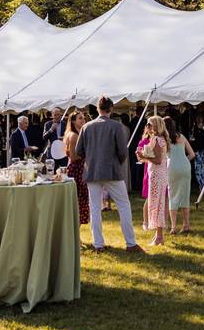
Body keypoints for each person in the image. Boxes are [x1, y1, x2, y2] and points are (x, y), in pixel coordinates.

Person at [75, 95, 143, 253]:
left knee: (95, 208)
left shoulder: (87, 127)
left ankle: (98, 244)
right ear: (111, 109)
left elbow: (79, 151)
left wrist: (92, 158)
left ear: (98, 109)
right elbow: (122, 151)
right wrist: (116, 163)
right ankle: (130, 243)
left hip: (92, 171)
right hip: (111, 170)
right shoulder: (115, 126)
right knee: (123, 205)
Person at [138, 116, 169, 246]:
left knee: (156, 204)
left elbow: (157, 160)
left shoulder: (157, 139)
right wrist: (143, 157)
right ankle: (158, 235)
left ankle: (159, 237)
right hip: (160, 174)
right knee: (159, 203)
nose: (148, 127)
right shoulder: (161, 139)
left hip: (157, 175)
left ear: (156, 126)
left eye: (150, 125)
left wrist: (143, 156)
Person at [164, 116, 194, 234]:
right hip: (185, 167)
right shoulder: (181, 136)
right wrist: (183, 161)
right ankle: (186, 224)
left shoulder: (164, 139)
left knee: (173, 196)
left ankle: (173, 227)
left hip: (172, 167)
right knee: (185, 196)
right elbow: (192, 154)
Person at [62, 111, 90, 225]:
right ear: (73, 121)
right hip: (76, 170)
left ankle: (76, 234)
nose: (83, 120)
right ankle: (75, 234)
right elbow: (73, 157)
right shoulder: (74, 135)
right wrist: (88, 154)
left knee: (80, 201)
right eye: (80, 118)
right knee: (78, 201)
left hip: (80, 168)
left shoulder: (79, 133)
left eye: (83, 118)